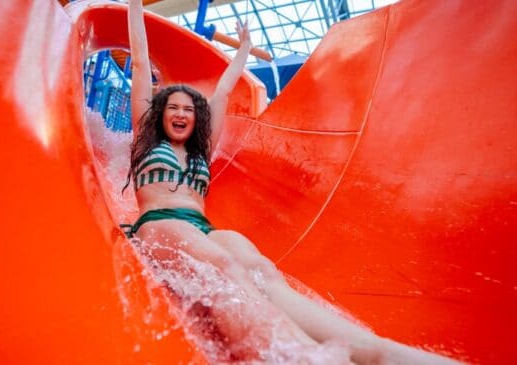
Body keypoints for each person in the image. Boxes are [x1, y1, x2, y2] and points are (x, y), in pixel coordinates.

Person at [123, 1, 459, 363]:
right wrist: (134, 4)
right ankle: (305, 357)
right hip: (160, 223)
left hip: (203, 227)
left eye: (188, 109)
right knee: (223, 267)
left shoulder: (202, 149)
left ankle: (378, 353)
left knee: (262, 271)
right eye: (173, 107)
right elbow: (141, 60)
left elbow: (221, 93)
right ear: (159, 114)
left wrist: (246, 49)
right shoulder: (147, 137)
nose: (180, 113)